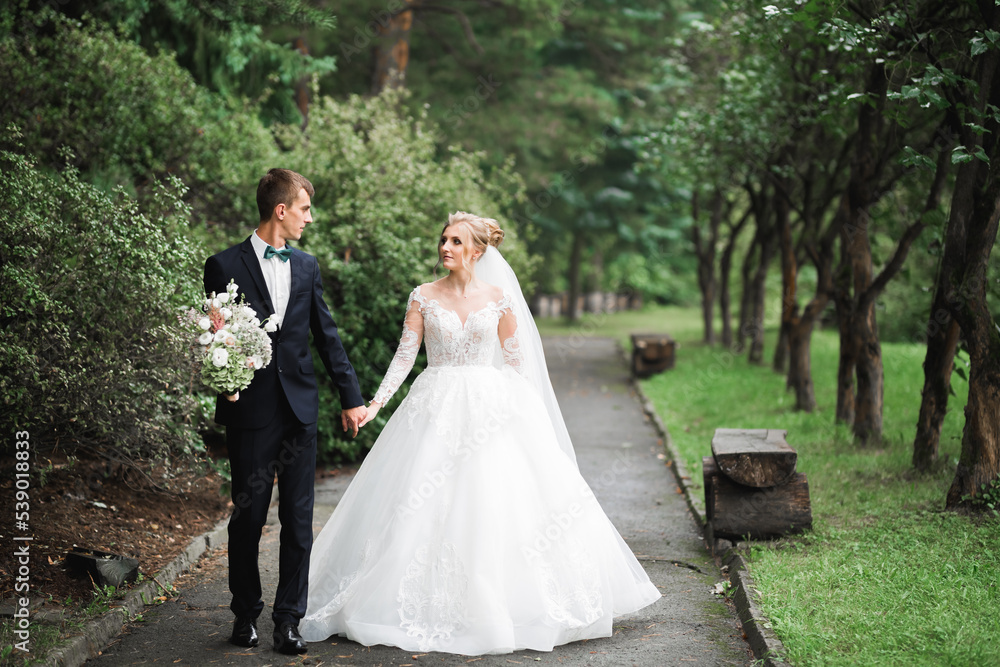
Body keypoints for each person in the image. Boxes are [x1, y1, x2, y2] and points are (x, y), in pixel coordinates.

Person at [299, 212, 660, 655]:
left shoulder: (499, 299)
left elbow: (517, 363)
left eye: (455, 241)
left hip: (490, 409)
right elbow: (403, 357)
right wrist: (374, 404)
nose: (445, 248)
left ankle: (502, 604)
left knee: (494, 500)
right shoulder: (424, 296)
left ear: (477, 251)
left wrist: (523, 414)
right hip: (434, 404)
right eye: (443, 240)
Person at [203, 168, 367, 655]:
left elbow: (326, 335)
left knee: (299, 521)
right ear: (281, 210)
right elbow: (214, 336)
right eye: (304, 209)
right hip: (250, 412)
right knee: (248, 517)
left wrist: (351, 396)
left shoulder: (308, 266)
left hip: (299, 411)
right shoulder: (223, 264)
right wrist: (224, 381)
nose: (308, 219)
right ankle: (244, 614)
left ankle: (288, 620)